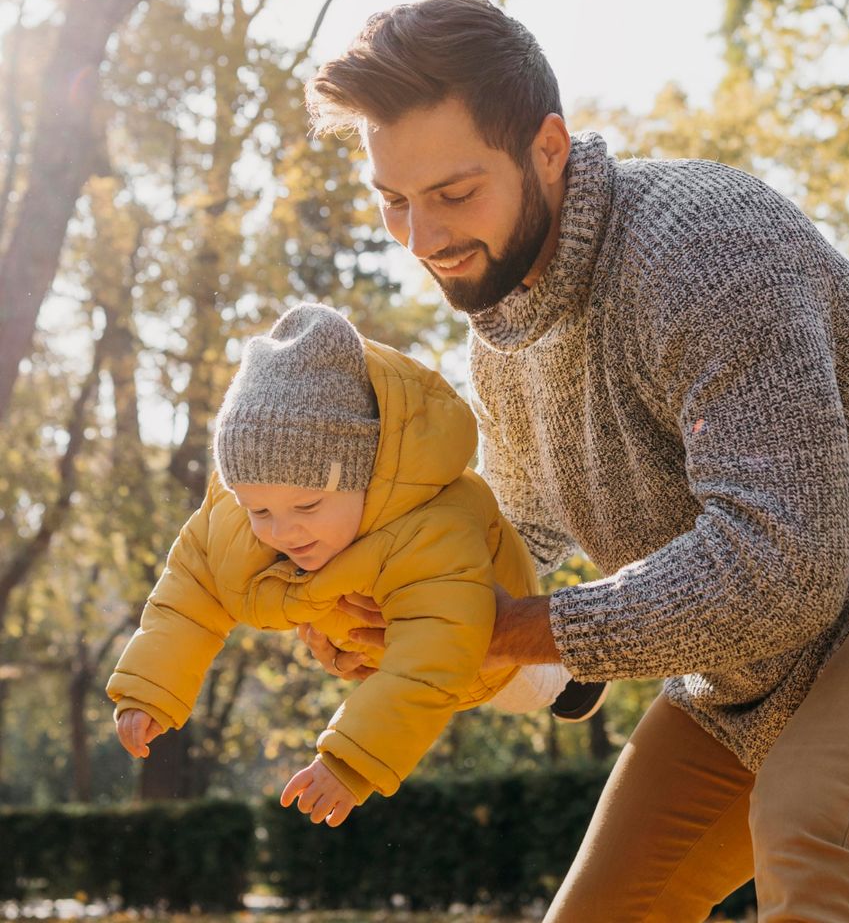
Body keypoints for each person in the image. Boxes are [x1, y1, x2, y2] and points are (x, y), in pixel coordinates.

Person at [302, 0, 849, 919]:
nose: (424, 240)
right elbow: (512, 536)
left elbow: (783, 563)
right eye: (395, 203)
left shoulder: (700, 246)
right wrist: (402, 611)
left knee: (821, 820)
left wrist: (512, 627)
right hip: (748, 661)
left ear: (549, 149)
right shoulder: (502, 335)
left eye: (454, 195)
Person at [106, 302, 606, 828]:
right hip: (375, 646)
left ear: (366, 477)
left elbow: (435, 655)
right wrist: (149, 687)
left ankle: (575, 670)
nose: (282, 531)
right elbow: (187, 595)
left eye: (307, 507)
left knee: (518, 689)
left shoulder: (432, 526)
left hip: (481, 643)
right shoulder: (234, 520)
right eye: (260, 510)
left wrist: (351, 760)